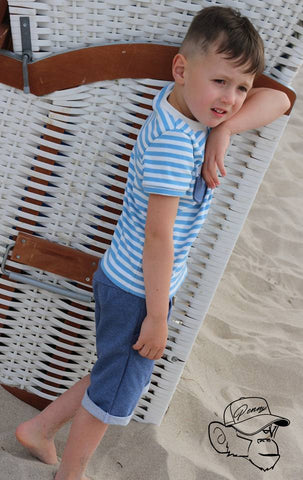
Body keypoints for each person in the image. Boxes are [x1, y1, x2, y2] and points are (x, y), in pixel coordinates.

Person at [15, 6, 290, 480]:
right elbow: (159, 237)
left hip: (130, 279)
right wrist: (158, 316)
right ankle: (72, 472)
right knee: (116, 389)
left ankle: (40, 428)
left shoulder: (187, 110)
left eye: (241, 87)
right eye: (221, 82)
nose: (230, 99)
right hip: (140, 288)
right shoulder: (175, 144)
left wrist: (225, 129)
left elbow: (282, 100)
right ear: (181, 69)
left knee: (114, 369)